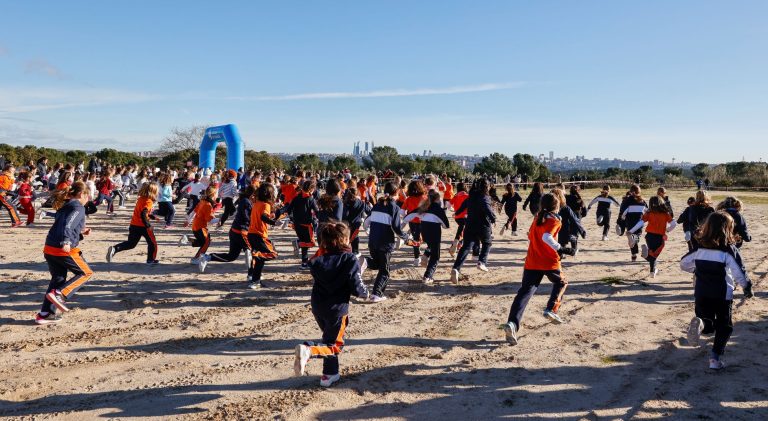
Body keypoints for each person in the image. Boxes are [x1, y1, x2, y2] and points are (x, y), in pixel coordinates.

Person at [293, 222, 368, 387]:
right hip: (337, 308)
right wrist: (365, 293)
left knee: (328, 338)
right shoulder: (349, 258)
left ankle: (329, 374)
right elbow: (356, 285)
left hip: (318, 305)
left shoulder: (318, 259)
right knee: (334, 345)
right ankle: (309, 350)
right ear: (346, 239)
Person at [681, 211, 753, 370]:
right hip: (722, 294)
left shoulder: (699, 248)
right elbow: (738, 272)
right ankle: (715, 359)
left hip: (701, 292)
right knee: (724, 326)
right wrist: (747, 287)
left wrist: (697, 269)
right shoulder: (728, 250)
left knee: (707, 324)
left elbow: (684, 264)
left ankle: (701, 324)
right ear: (728, 229)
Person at [503, 193, 576, 345]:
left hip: (532, 261)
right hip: (549, 261)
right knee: (562, 282)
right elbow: (547, 238)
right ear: (557, 207)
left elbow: (531, 235)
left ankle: (512, 323)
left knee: (524, 292)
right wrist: (562, 249)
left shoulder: (537, 218)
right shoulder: (554, 220)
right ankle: (551, 309)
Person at [35, 182, 94, 325]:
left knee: (58, 279)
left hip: (49, 247)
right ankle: (60, 294)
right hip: (62, 248)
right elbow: (67, 224)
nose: (89, 199)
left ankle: (45, 314)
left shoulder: (66, 205)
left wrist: (81, 231)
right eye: (88, 196)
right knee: (86, 273)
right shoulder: (78, 207)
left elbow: (62, 222)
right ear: (81, 194)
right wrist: (66, 241)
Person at [362, 182, 407, 302]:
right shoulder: (394, 207)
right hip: (385, 243)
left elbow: (366, 222)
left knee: (377, 264)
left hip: (373, 241)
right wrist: (405, 237)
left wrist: (368, 231)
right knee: (385, 271)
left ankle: (364, 261)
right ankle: (377, 294)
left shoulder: (377, 205)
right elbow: (396, 228)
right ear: (397, 193)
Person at [199, 185, 255, 273]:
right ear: (252, 195)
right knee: (252, 252)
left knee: (232, 256)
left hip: (234, 231)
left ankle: (208, 257)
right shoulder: (246, 201)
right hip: (241, 231)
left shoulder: (244, 200)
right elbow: (246, 216)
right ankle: (252, 275)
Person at [450, 178, 496, 283]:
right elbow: (487, 208)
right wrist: (493, 219)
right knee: (487, 243)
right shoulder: (485, 197)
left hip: (470, 225)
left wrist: (456, 213)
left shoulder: (471, 197)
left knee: (466, 247)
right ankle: (482, 262)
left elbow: (462, 207)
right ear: (486, 187)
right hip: (483, 226)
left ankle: (456, 268)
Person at [107, 182, 160, 265]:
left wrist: (152, 217)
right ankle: (150, 260)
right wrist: (148, 226)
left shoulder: (140, 199)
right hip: (143, 226)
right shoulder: (149, 201)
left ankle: (115, 249)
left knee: (131, 244)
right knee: (152, 243)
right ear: (153, 192)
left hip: (134, 225)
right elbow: (143, 214)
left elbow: (142, 212)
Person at [247, 183, 278, 288]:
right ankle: (254, 279)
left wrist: (271, 217)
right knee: (272, 253)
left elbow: (261, 216)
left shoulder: (256, 203)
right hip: (259, 235)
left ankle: (255, 280)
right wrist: (274, 222)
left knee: (259, 260)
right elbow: (263, 217)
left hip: (251, 234)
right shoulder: (266, 205)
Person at [179, 185, 219, 267]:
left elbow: (194, 211)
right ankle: (196, 258)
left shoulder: (202, 201)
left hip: (195, 226)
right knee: (206, 242)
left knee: (201, 242)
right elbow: (210, 220)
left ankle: (187, 239)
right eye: (217, 194)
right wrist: (222, 219)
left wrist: (189, 221)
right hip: (201, 227)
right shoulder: (208, 204)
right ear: (213, 195)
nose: (217, 195)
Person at [285, 180, 319, 270]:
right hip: (306, 224)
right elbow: (317, 211)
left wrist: (291, 219)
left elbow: (289, 209)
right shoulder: (310, 199)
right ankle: (298, 245)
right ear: (311, 189)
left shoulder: (297, 197)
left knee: (305, 242)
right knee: (309, 243)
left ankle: (304, 262)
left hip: (297, 224)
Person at [640, 196, 675, 278]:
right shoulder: (665, 214)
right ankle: (646, 257)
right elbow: (673, 224)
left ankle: (652, 272)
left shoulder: (649, 213)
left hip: (649, 236)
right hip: (659, 237)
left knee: (652, 253)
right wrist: (667, 230)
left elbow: (642, 220)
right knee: (653, 255)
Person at [619, 185, 648, 261]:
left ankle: (634, 255)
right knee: (636, 236)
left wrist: (622, 218)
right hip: (639, 222)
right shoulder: (642, 201)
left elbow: (622, 211)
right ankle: (634, 242)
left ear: (631, 191)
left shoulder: (627, 200)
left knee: (631, 238)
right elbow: (647, 211)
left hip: (629, 222)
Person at [552, 188, 586, 255]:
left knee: (558, 252)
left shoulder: (547, 209)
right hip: (562, 232)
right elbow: (575, 219)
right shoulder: (566, 207)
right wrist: (582, 231)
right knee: (559, 251)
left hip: (555, 233)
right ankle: (572, 247)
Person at [403, 180, 427, 266]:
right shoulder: (425, 198)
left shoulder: (408, 199)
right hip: (423, 222)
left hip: (412, 222)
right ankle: (420, 257)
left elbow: (402, 211)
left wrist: (407, 216)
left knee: (415, 238)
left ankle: (416, 258)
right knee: (423, 239)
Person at [342, 185, 370, 256]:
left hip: (345, 226)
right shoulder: (361, 203)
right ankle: (355, 254)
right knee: (355, 241)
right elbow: (370, 212)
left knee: (344, 243)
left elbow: (344, 214)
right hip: (356, 225)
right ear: (357, 194)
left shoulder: (344, 203)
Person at [448, 182, 469, 256]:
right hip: (466, 216)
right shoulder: (467, 196)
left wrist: (453, 209)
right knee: (465, 231)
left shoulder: (456, 196)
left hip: (457, 217)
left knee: (462, 229)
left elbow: (448, 205)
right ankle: (458, 243)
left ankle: (457, 243)